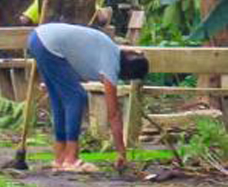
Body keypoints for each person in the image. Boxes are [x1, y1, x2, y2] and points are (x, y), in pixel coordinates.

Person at [28, 22, 148, 173]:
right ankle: (71, 159)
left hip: (38, 38)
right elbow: (114, 114)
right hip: (49, 43)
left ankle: (60, 158)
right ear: (128, 73)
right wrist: (121, 152)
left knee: (58, 100)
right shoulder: (112, 63)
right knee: (76, 97)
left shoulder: (110, 50)